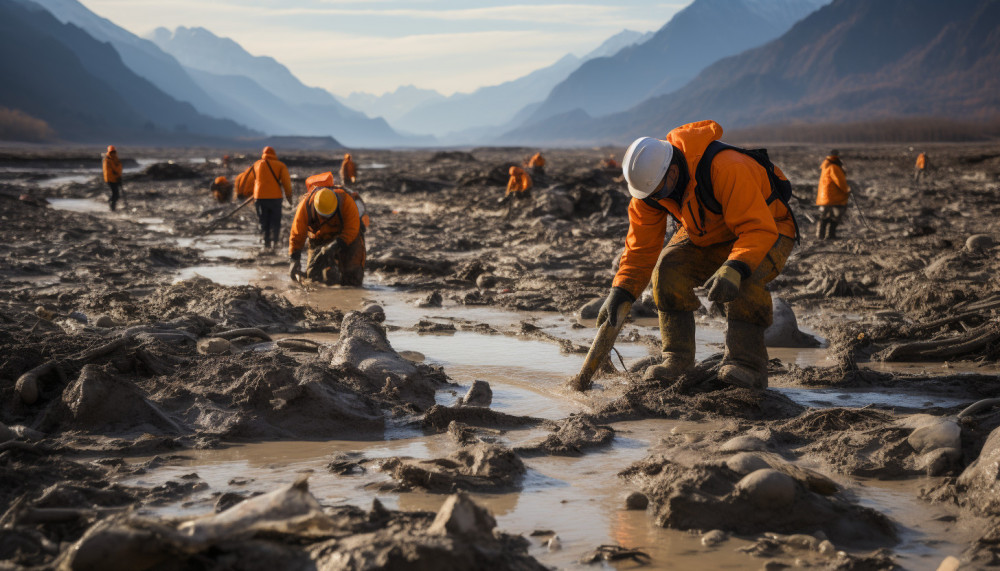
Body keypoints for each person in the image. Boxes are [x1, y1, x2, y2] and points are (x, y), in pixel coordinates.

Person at [599, 120, 797, 390]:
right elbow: (640, 249)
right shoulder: (650, 192)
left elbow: (756, 228)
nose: (659, 198)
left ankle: (747, 365)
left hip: (769, 228)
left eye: (661, 192)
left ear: (674, 169)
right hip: (708, 229)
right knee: (667, 270)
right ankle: (677, 360)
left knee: (747, 281)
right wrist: (621, 290)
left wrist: (735, 266)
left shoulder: (726, 167)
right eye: (652, 195)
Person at [288, 172, 365, 286]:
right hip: (319, 238)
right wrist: (294, 258)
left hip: (344, 238)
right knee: (313, 277)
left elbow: (352, 228)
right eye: (323, 215)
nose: (325, 218)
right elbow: (297, 234)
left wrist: (335, 246)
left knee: (353, 277)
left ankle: (350, 283)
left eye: (329, 215)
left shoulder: (346, 201)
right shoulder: (305, 206)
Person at [251, 146, 293, 252]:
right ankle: (275, 243)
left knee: (264, 221)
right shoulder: (280, 165)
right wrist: (289, 196)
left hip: (259, 197)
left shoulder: (256, 164)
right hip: (275, 198)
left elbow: (252, 181)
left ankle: (266, 243)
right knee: (275, 221)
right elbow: (286, 182)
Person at [815, 149, 849, 240]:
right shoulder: (834, 167)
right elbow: (840, 181)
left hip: (826, 196)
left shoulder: (826, 165)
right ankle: (830, 235)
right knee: (834, 216)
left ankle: (821, 235)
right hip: (833, 196)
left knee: (825, 216)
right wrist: (847, 190)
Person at [102, 145, 123, 211]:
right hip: (111, 180)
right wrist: (117, 177)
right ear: (109, 152)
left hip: (115, 179)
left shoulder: (115, 159)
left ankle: (113, 206)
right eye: (112, 152)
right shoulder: (107, 160)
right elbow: (110, 171)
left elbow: (119, 168)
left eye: (114, 152)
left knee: (116, 194)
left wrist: (119, 177)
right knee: (115, 194)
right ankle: (112, 207)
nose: (113, 153)